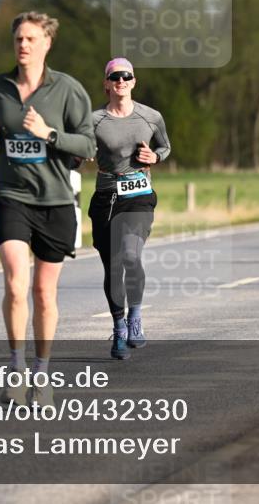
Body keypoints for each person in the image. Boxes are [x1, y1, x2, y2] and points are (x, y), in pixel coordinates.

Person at [0, 11, 96, 407]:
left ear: (47, 43)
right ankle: (16, 369)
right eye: (18, 39)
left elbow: (88, 146)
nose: (23, 45)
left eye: (31, 39)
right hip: (12, 197)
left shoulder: (68, 90)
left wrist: (48, 133)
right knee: (15, 284)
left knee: (44, 293)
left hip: (56, 201)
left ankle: (42, 374)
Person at [89, 58, 171, 360]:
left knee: (131, 256)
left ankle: (135, 317)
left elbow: (165, 147)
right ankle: (119, 327)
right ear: (106, 83)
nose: (121, 81)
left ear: (134, 81)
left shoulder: (151, 116)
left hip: (139, 194)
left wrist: (155, 157)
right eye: (115, 76)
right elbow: (80, 149)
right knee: (112, 266)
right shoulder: (94, 120)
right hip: (106, 197)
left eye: (126, 76)